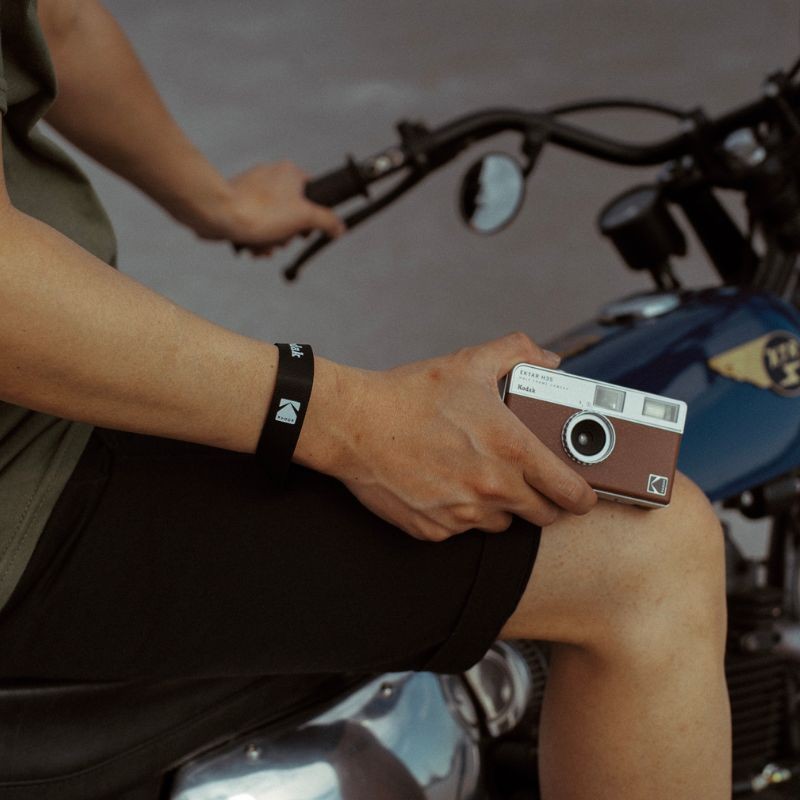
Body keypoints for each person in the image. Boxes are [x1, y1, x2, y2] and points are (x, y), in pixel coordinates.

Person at [0, 1, 730, 798]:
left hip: (39, 426)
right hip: (22, 480)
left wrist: (219, 201)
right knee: (648, 559)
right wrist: (351, 422)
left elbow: (53, 19)